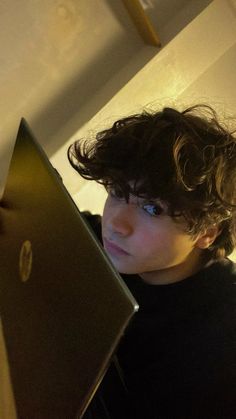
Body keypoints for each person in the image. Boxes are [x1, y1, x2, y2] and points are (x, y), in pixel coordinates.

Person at [68, 105, 236, 418]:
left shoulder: (222, 340)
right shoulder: (108, 247)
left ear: (206, 234)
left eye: (152, 210)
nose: (117, 224)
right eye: (118, 192)